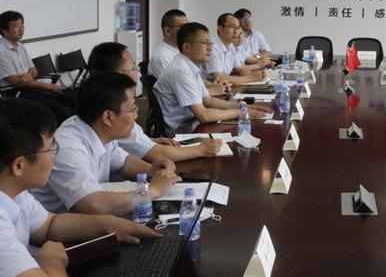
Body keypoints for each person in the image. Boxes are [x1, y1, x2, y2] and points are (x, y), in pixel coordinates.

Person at [0, 98, 161, 277]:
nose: (55, 154)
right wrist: (52, 261)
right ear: (19, 166)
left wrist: (108, 224)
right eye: (51, 148)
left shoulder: (14, 192)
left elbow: (49, 225)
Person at [32, 73, 180, 215]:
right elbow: (94, 205)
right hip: (57, 228)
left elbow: (123, 162)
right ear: (108, 117)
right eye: (133, 109)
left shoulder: (98, 130)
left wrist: (152, 170)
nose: (136, 116)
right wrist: (152, 191)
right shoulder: (67, 147)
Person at [88, 42, 222, 162]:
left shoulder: (106, 99)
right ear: (117, 75)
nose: (138, 73)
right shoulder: (114, 111)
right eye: (133, 68)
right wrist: (202, 149)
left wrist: (151, 141)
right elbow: (158, 154)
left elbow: (128, 142)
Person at [154, 22, 272, 135]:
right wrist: (239, 113)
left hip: (191, 122)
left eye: (210, 43)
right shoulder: (180, 70)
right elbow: (203, 115)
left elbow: (208, 100)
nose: (210, 48)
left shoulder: (190, 66)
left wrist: (243, 107)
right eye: (205, 43)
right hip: (180, 130)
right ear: (187, 47)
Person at [0, 10, 75, 123]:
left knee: (68, 96)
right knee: (54, 107)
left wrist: (28, 75)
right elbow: (15, 81)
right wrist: (46, 86)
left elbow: (34, 70)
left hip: (29, 86)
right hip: (13, 93)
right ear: (4, 30)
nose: (21, 29)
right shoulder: (1, 50)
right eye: (16, 26)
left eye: (22, 25)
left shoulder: (20, 46)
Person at [204, 13, 266, 84]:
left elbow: (240, 69)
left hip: (225, 86)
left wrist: (257, 75)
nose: (236, 32)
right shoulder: (212, 47)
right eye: (232, 27)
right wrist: (250, 78)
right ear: (220, 28)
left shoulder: (231, 45)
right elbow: (220, 78)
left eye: (238, 27)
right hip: (210, 88)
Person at [148, 9, 188, 79]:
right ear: (168, 31)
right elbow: (178, 85)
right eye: (182, 27)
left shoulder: (181, 52)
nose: (188, 31)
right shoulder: (162, 58)